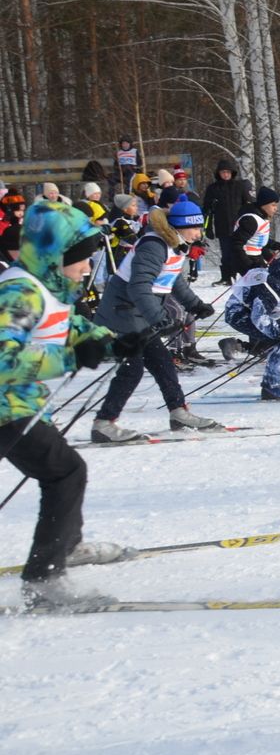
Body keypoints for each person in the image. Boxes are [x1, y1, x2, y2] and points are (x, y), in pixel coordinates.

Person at [0, 201, 136, 607]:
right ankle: (44, 583)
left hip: (20, 407)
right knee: (66, 473)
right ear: (57, 256)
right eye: (81, 259)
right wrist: (71, 359)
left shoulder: (46, 288)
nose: (86, 267)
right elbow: (4, 359)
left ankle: (64, 547)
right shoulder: (20, 293)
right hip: (7, 410)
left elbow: (70, 327)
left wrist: (113, 343)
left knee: (64, 472)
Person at [90, 200, 223, 442]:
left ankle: (179, 412)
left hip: (139, 311)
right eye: (195, 227)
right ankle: (103, 423)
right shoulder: (154, 245)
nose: (199, 232)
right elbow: (138, 286)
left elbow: (173, 280)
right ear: (181, 226)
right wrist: (158, 317)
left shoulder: (174, 244)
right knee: (133, 369)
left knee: (162, 362)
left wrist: (195, 305)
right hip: (124, 311)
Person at [219, 249, 280, 400]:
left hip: (253, 314)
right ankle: (271, 386)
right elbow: (259, 316)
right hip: (238, 314)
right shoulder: (272, 283)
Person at [202, 157, 251, 284]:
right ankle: (226, 278)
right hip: (222, 226)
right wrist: (208, 228)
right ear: (218, 173)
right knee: (226, 254)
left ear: (232, 173)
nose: (225, 174)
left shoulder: (240, 186)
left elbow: (249, 205)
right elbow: (207, 210)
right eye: (223, 172)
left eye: (228, 172)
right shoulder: (212, 189)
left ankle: (246, 276)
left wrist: (251, 223)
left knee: (241, 253)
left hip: (240, 226)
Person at [228, 186, 280, 275]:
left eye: (276, 205)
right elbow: (235, 243)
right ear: (263, 205)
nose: (276, 208)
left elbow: (258, 239)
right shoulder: (251, 220)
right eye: (273, 205)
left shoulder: (262, 218)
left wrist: (277, 245)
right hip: (244, 260)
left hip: (255, 258)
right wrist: (248, 264)